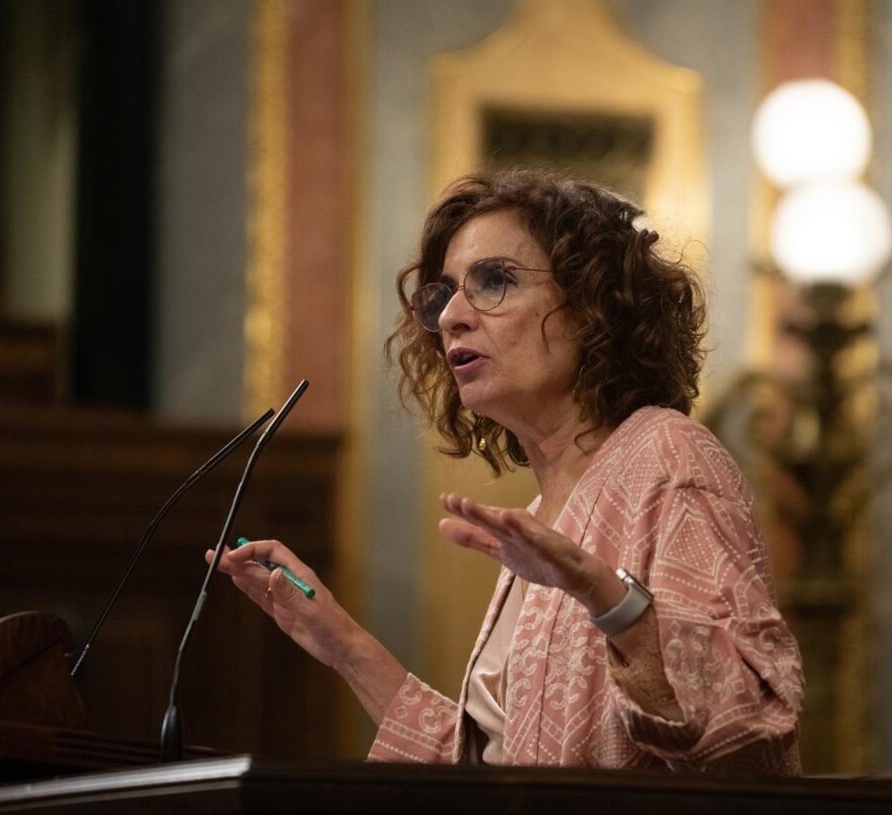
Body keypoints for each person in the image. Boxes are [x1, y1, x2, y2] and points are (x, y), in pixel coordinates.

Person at [211, 169, 804, 773]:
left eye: (494, 280)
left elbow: (751, 730)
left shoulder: (669, 455)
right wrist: (342, 644)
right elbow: (501, 775)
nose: (450, 319)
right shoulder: (541, 517)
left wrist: (606, 595)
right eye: (442, 296)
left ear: (593, 303)